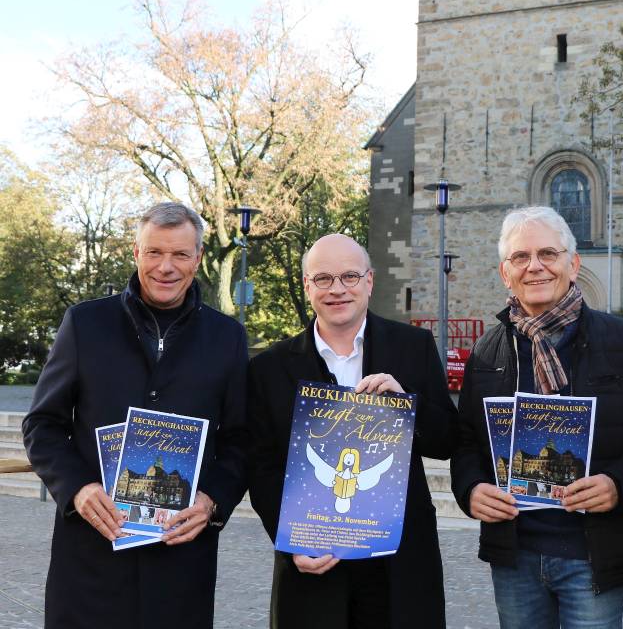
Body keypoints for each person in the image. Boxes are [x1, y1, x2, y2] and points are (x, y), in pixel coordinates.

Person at [22, 201, 249, 629]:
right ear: (136, 253)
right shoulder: (85, 324)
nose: (166, 266)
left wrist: (212, 501)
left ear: (198, 258)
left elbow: (241, 439)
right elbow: (41, 425)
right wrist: (77, 489)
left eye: (180, 254)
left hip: (180, 561)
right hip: (91, 554)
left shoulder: (227, 338)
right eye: (154, 252)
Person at [451, 206, 623, 629]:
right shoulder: (487, 353)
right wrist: (471, 489)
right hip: (515, 555)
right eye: (520, 257)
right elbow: (466, 441)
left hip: (593, 553)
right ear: (505, 273)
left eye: (548, 253)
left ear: (573, 264)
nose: (535, 266)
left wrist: (618, 484)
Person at [247, 233, 458, 629]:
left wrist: (406, 405)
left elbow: (446, 440)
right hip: (314, 561)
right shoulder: (269, 368)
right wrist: (291, 539)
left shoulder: (412, 346)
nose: (337, 289)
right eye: (323, 279)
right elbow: (261, 466)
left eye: (349, 276)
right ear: (307, 285)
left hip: (398, 565)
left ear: (369, 281)